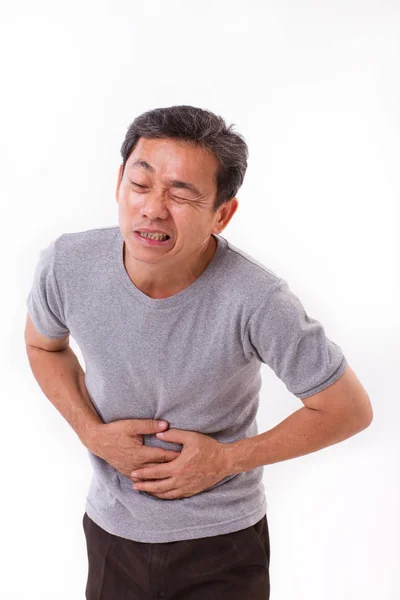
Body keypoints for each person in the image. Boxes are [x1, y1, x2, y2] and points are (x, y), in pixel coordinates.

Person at [25, 105, 373, 599]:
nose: (152, 209)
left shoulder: (258, 299)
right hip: (111, 531)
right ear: (119, 181)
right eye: (140, 185)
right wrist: (93, 434)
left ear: (222, 214)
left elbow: (348, 409)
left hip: (222, 543)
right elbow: (44, 345)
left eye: (182, 194)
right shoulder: (68, 264)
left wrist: (226, 460)